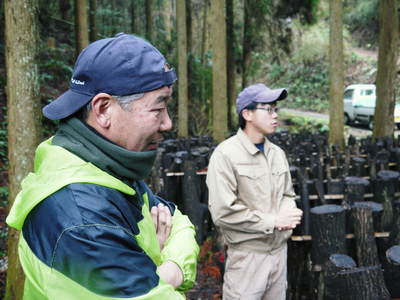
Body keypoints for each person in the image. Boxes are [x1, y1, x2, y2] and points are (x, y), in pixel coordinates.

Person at [7, 33, 199, 300]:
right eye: (158, 108)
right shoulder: (81, 219)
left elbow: (179, 222)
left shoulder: (106, 167)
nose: (167, 123)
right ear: (104, 108)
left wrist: (169, 270)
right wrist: (165, 268)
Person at [206, 83, 303, 300]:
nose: (275, 115)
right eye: (268, 109)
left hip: (279, 254)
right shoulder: (225, 155)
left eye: (276, 109)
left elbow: (287, 194)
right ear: (247, 114)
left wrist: (290, 212)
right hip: (247, 258)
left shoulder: (277, 154)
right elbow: (223, 212)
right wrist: (273, 221)